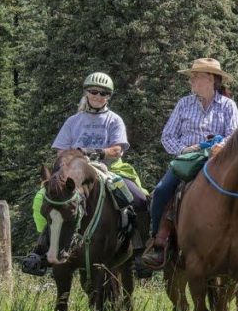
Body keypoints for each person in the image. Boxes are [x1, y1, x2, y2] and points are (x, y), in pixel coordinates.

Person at [21, 72, 149, 276]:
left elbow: (117, 149)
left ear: (109, 96)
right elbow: (61, 150)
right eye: (94, 92)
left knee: (139, 199)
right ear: (86, 93)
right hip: (76, 172)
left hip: (108, 168)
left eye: (104, 93)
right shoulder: (73, 121)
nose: (98, 96)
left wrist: (97, 152)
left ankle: (139, 252)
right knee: (41, 199)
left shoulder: (113, 120)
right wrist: (75, 159)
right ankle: (42, 248)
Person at [140, 58, 238, 269]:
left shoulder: (227, 105)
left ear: (211, 80)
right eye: (193, 77)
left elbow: (235, 135)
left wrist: (220, 146)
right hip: (186, 161)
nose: (192, 81)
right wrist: (184, 149)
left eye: (196, 76)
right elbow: (167, 136)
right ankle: (158, 243)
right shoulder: (183, 103)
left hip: (219, 161)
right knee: (161, 191)